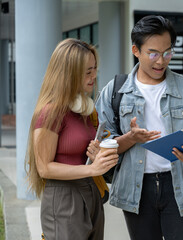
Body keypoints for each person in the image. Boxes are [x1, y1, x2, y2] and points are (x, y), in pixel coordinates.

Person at [96, 15, 183, 240]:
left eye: (167, 53)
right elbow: (100, 145)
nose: (161, 61)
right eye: (153, 53)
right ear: (136, 50)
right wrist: (130, 138)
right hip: (137, 189)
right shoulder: (114, 92)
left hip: (179, 186)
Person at [25, 38, 119, 240]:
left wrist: (97, 155)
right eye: (87, 71)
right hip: (65, 197)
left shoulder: (84, 110)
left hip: (91, 191)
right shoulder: (50, 112)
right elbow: (44, 168)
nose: (94, 75)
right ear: (68, 73)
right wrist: (92, 169)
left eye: (95, 69)